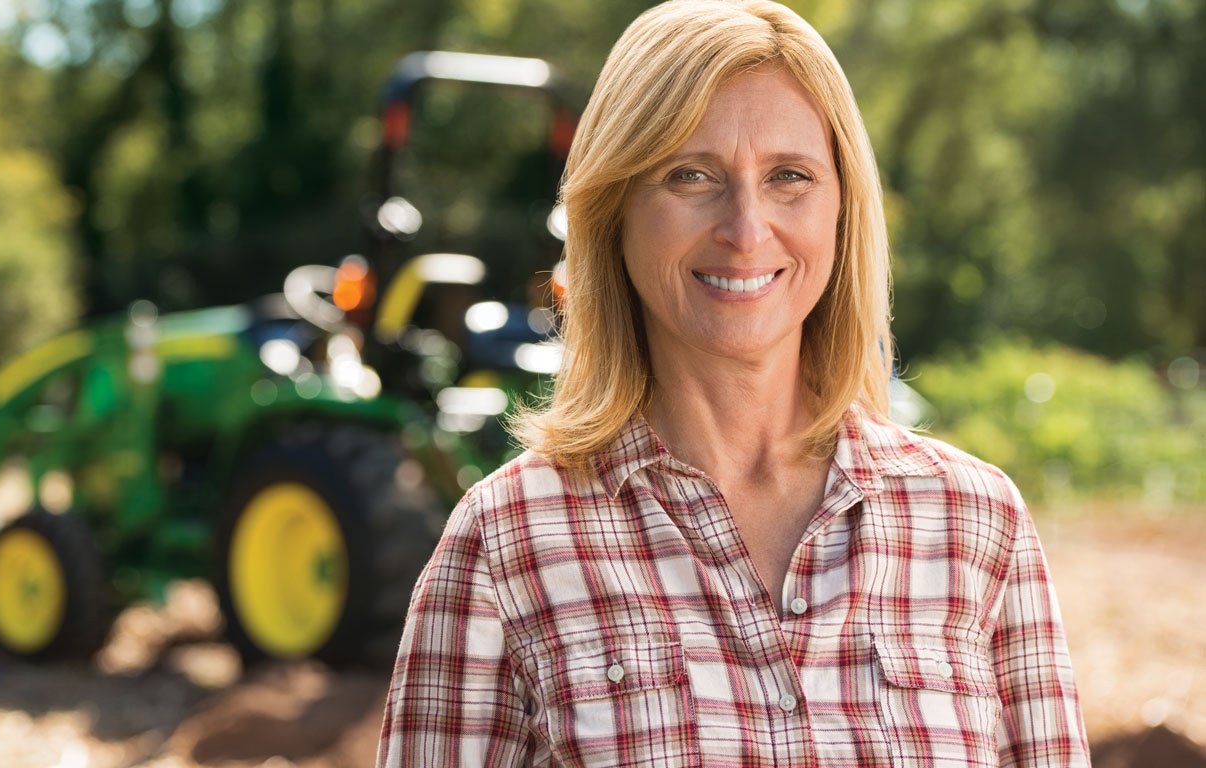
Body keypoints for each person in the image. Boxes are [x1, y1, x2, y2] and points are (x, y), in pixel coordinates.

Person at [376, 0, 1090, 765]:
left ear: (843, 209)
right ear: (613, 208)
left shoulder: (977, 525)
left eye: (790, 176)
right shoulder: (506, 541)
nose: (746, 230)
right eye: (690, 175)